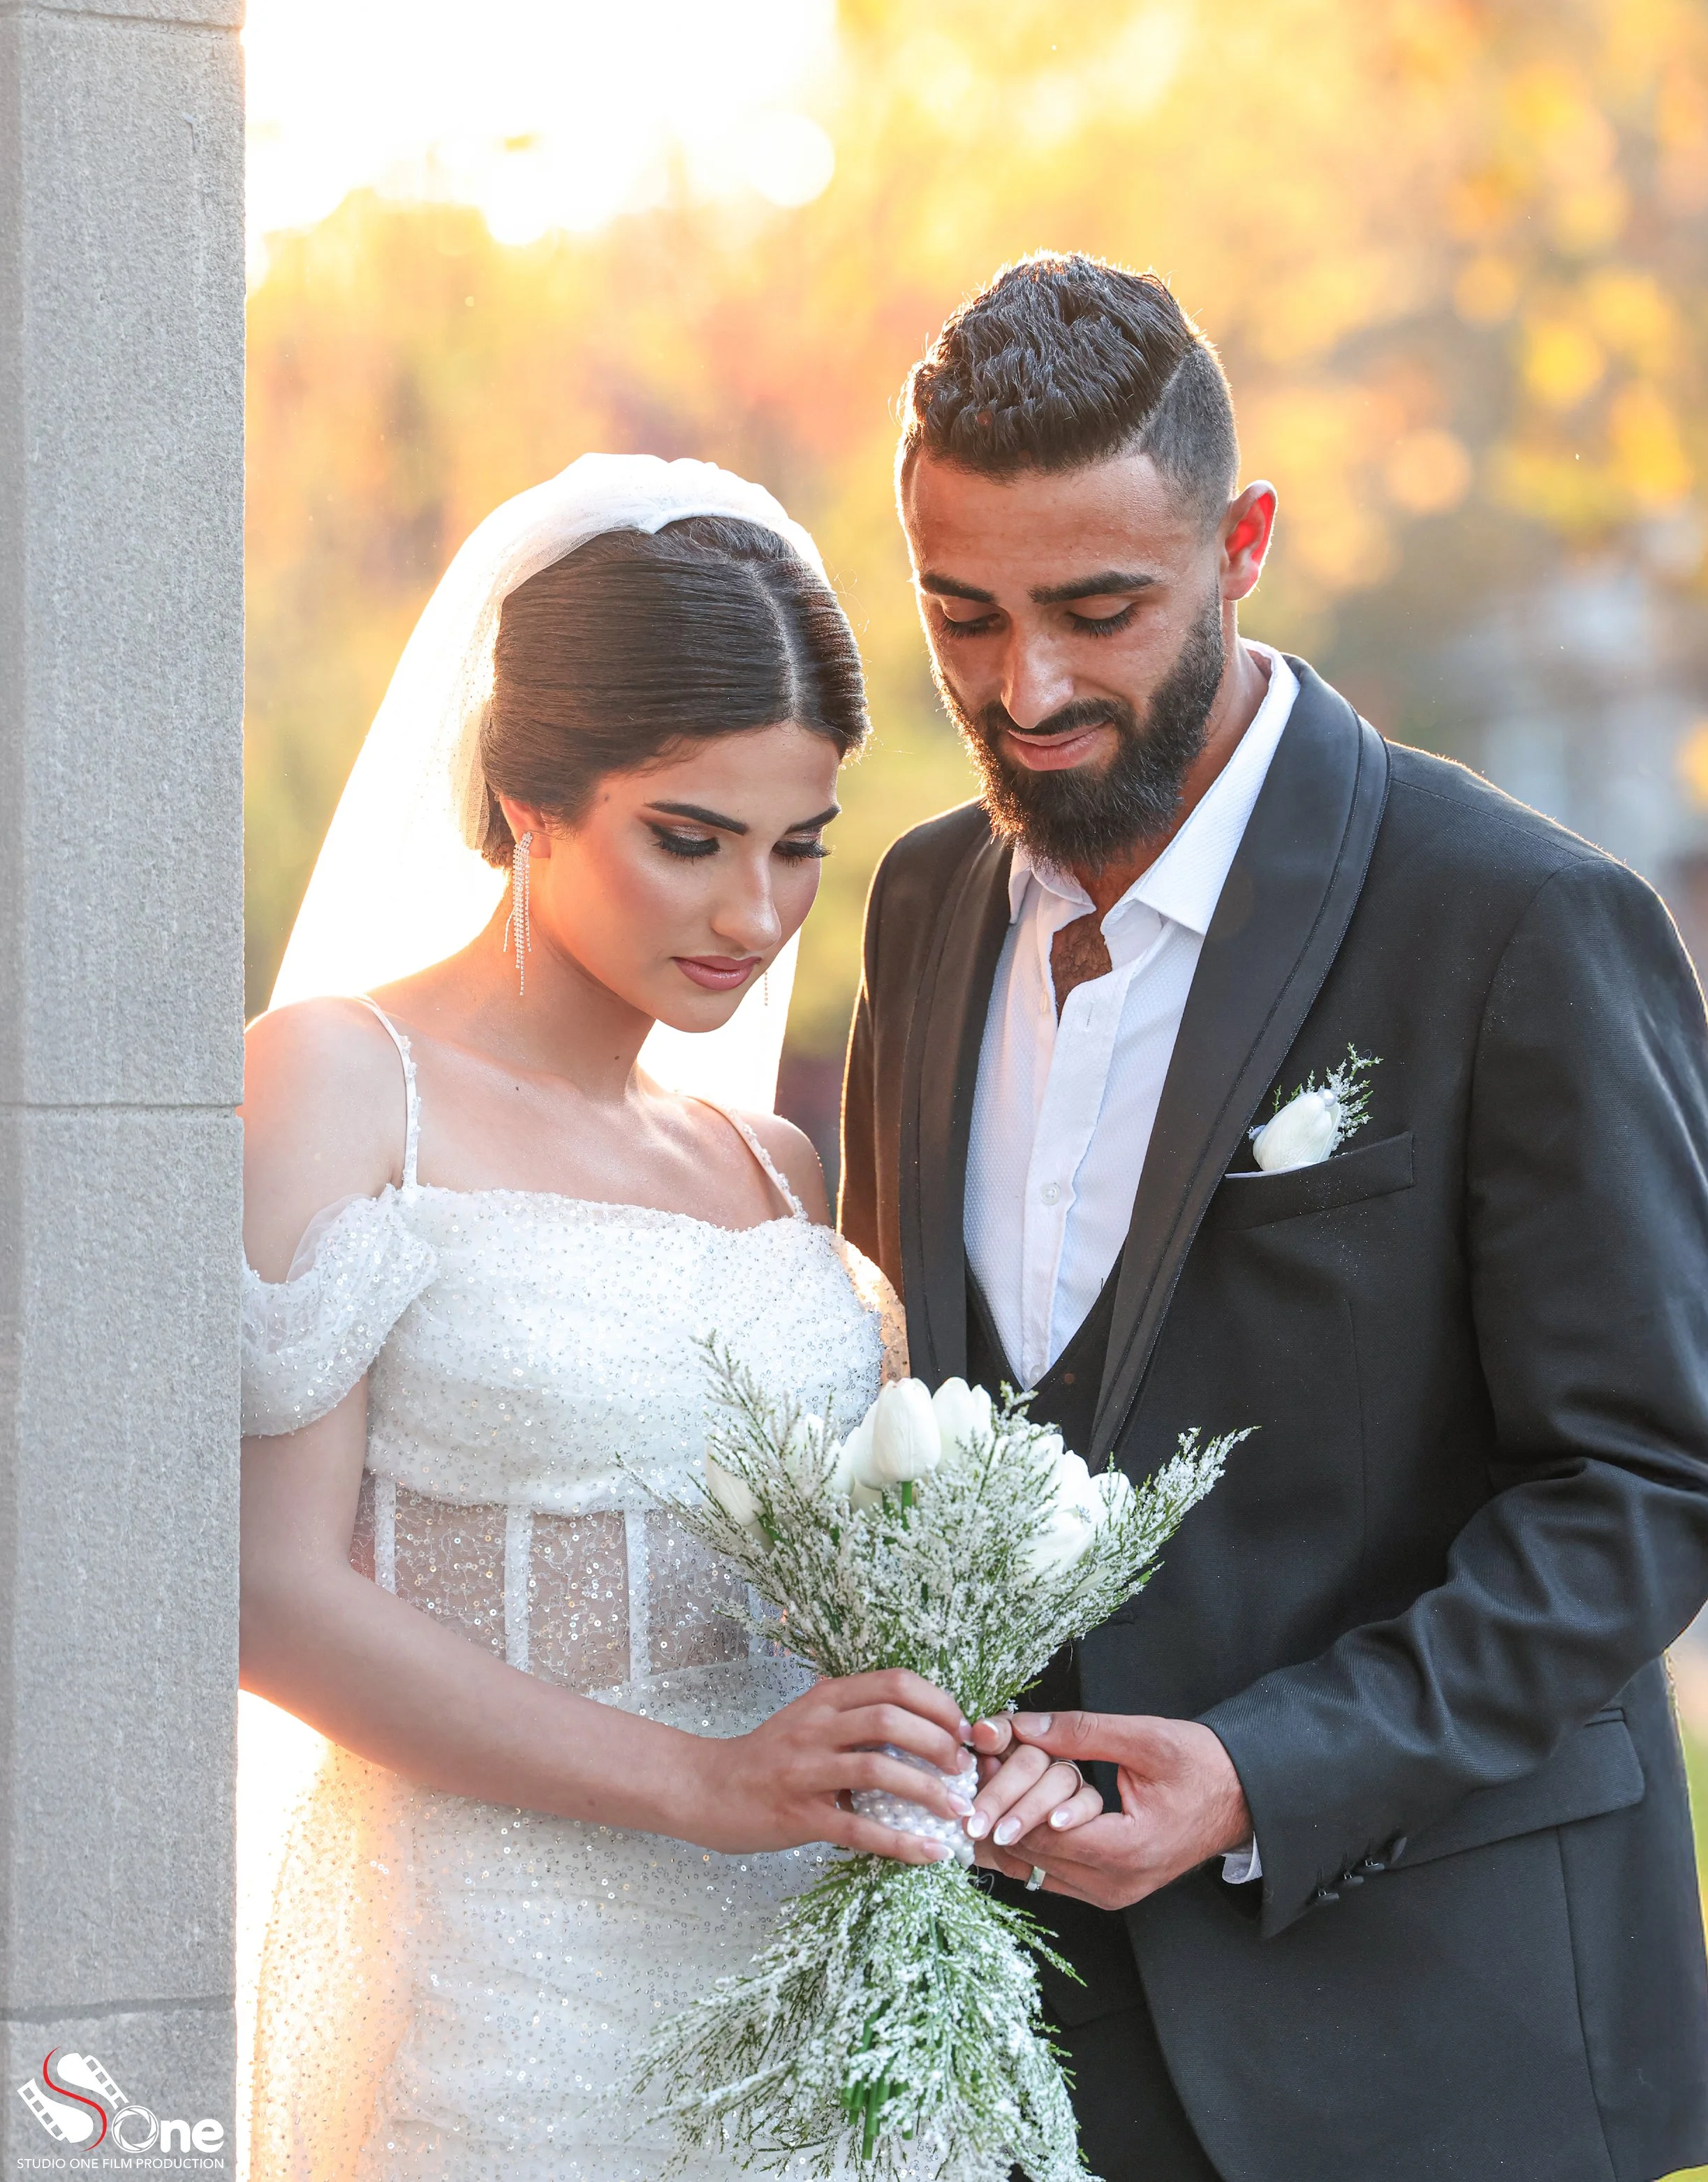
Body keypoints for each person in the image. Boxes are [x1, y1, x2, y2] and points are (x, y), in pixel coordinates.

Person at [840, 255, 1708, 2182]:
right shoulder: (919, 910)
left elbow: (1645, 1486)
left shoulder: (1516, 923)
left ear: (1242, 540)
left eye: (1100, 610)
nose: (1031, 688)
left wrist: (1263, 1771)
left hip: (1423, 2044)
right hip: (1004, 2052)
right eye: (962, 616)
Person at [238, 455, 1083, 2181]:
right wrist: (702, 1784)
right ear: (524, 797)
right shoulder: (341, 1083)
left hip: (808, 1982)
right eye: (685, 840)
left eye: (793, 849)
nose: (752, 916)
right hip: (501, 1988)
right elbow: (264, 1593)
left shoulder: (766, 1164)